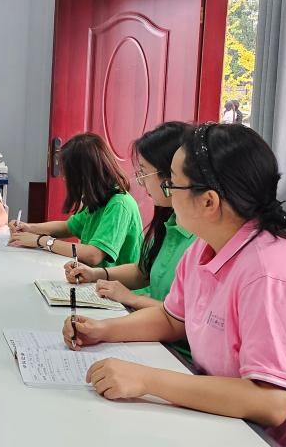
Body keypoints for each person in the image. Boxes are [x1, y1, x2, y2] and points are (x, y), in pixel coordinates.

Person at [63, 123, 286, 447]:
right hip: (234, 432)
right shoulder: (204, 248)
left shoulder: (269, 272)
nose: (165, 193)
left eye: (172, 184)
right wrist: (102, 330)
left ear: (208, 201)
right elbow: (172, 320)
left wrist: (147, 379)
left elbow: (270, 402)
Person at [64, 122, 195, 358]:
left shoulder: (201, 239)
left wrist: (131, 299)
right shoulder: (170, 220)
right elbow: (144, 271)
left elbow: (182, 319)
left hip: (176, 351)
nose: (141, 181)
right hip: (152, 332)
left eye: (144, 172)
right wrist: (97, 275)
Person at [8, 132, 142, 265]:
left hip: (112, 279)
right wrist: (29, 227)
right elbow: (68, 227)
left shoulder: (119, 204)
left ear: (84, 174)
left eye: (68, 173)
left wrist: (41, 241)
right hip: (92, 275)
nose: (64, 178)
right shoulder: (101, 199)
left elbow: (93, 255)